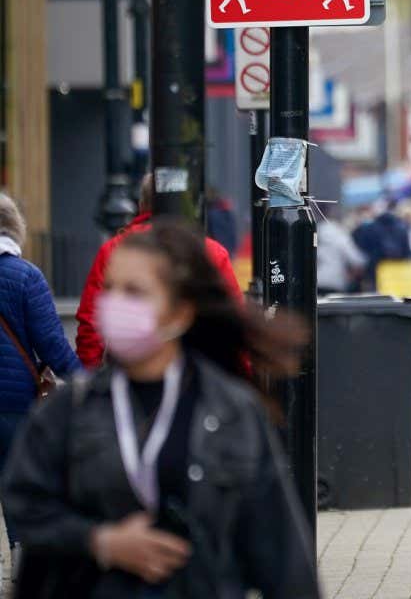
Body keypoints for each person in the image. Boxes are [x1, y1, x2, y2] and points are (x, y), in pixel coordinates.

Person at [2, 221, 318, 597]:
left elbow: (280, 555)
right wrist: (100, 542)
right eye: (111, 289)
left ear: (180, 313)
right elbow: (28, 507)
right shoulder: (71, 410)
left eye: (134, 293)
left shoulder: (231, 410)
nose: (116, 304)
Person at [75, 174, 243, 369]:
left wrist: (91, 373)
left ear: (142, 203)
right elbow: (233, 319)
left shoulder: (115, 250)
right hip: (199, 371)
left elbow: (90, 322)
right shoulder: (211, 252)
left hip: (127, 369)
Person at [0, 194, 82, 560]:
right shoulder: (26, 276)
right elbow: (52, 345)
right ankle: (20, 558)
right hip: (13, 403)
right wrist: (90, 384)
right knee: (16, 480)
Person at [351, 201, 411, 291]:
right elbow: (407, 252)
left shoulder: (369, 228)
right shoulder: (401, 228)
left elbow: (362, 251)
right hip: (397, 273)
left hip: (375, 273)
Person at [316, 214, 368, 295]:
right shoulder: (340, 237)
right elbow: (356, 259)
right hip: (335, 282)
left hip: (316, 282)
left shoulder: (315, 237)